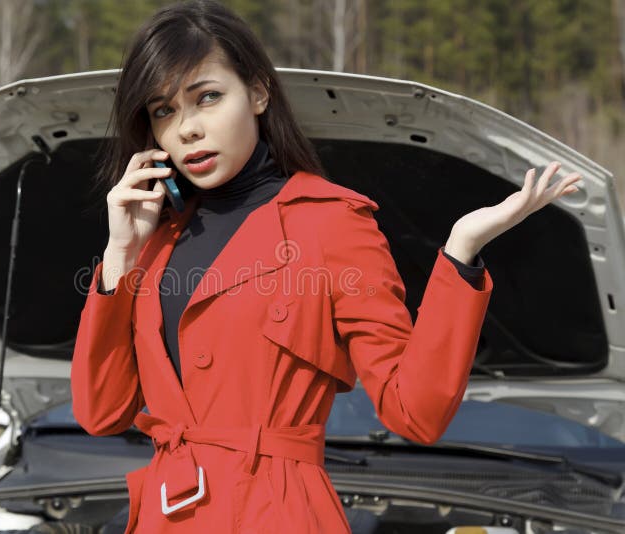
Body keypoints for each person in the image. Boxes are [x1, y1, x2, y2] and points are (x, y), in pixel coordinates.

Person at [70, 1, 584, 532]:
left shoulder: (331, 222)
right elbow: (102, 412)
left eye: (207, 98)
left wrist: (461, 250)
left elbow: (416, 412)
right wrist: (120, 256)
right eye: (163, 110)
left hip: (277, 514)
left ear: (259, 92)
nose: (187, 129)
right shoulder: (156, 240)